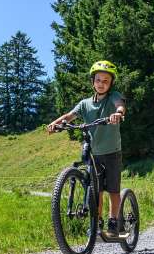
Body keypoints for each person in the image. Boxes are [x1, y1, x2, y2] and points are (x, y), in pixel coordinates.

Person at [45, 60, 127, 237]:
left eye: (106, 81)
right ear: (92, 81)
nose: (101, 84)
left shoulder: (113, 97)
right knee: (95, 190)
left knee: (113, 189)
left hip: (112, 151)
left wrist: (118, 114)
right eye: (98, 80)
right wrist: (55, 124)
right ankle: (96, 222)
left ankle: (114, 221)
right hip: (94, 153)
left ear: (111, 83)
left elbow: (120, 105)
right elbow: (70, 116)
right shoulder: (85, 104)